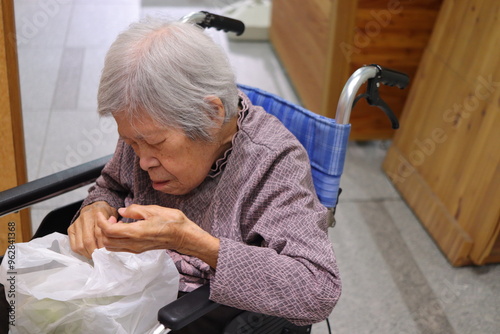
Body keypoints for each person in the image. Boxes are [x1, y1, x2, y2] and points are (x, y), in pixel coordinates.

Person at [68, 17, 341, 332]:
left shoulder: (273, 163)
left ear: (212, 115)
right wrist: (96, 207)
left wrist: (193, 242)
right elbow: (112, 185)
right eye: (131, 142)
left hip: (195, 315)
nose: (142, 161)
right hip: (125, 290)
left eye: (156, 144)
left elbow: (318, 288)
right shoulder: (146, 123)